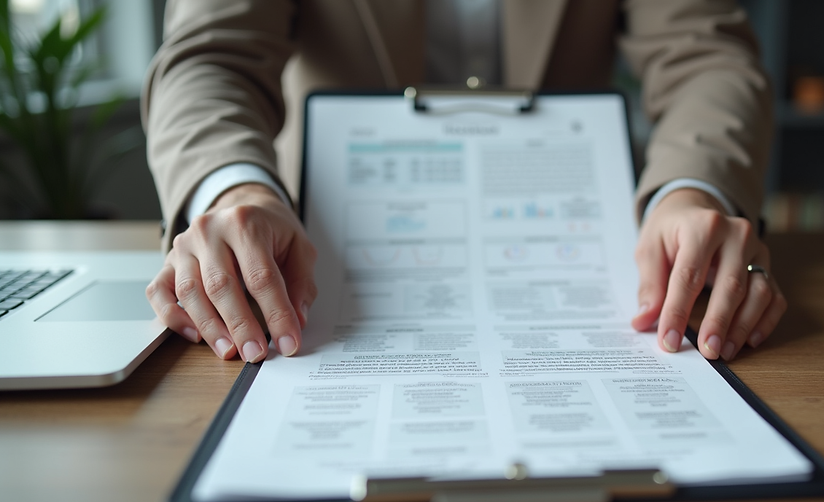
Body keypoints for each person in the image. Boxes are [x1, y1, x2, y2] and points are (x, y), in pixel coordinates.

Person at [142, 0, 786, 365]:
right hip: (329, 244)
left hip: (568, 239)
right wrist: (235, 191)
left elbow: (707, 56)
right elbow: (209, 56)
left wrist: (691, 190)